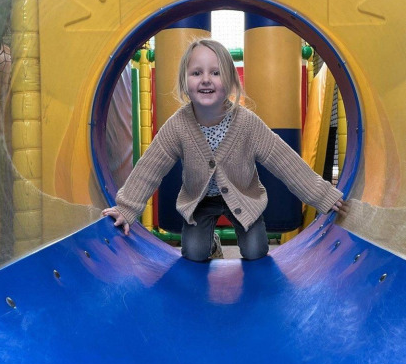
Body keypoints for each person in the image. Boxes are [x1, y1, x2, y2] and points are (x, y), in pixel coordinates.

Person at [102, 39, 345, 261]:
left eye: (215, 73)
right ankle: (212, 244)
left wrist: (321, 195)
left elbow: (285, 161)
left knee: (256, 251)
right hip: (199, 201)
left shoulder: (247, 123)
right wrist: (126, 207)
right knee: (194, 254)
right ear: (185, 83)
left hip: (243, 196)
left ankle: (237, 238)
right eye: (196, 73)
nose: (206, 79)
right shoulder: (178, 125)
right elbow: (150, 167)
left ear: (229, 81)